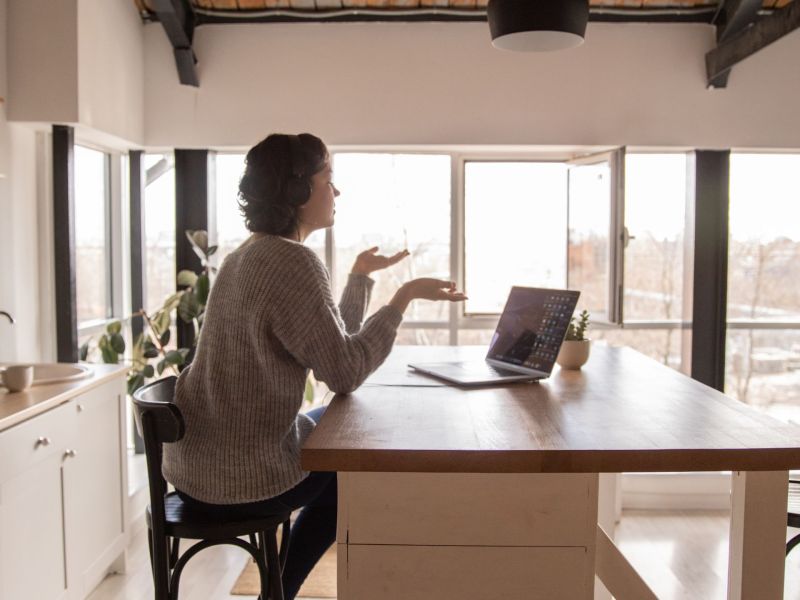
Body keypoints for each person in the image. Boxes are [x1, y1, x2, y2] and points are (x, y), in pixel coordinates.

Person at [162, 132, 466, 599]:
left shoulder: (248, 254)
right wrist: (402, 298)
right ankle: (280, 592)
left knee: (341, 427)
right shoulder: (292, 261)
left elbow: (324, 346)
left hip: (196, 467)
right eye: (329, 179)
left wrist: (360, 278)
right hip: (243, 476)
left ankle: (277, 586)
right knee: (356, 455)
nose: (336, 191)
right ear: (299, 189)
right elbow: (344, 372)